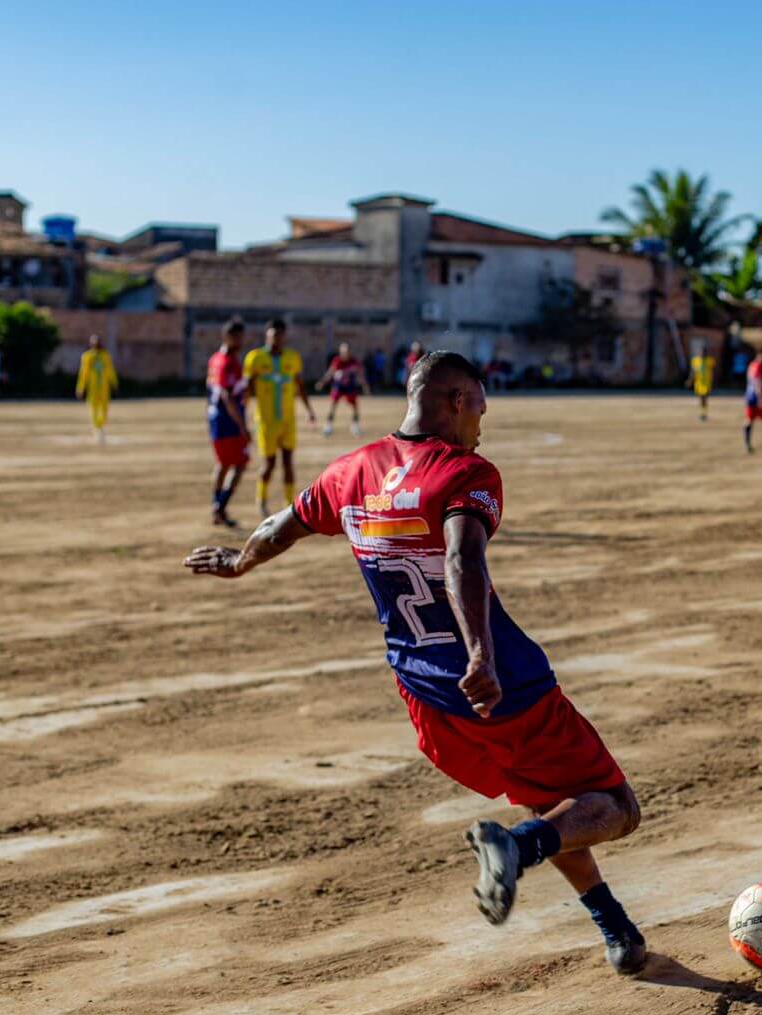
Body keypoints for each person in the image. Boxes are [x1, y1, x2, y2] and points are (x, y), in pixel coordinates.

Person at [183, 350, 646, 974]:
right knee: (614, 807)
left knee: (549, 802)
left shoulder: (351, 472)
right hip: (500, 686)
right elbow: (462, 561)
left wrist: (239, 561)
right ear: (456, 401)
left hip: (424, 694)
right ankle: (516, 849)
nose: (481, 424)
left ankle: (615, 928)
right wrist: (481, 654)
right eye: (479, 408)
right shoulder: (464, 471)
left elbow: (279, 527)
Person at [243, 319, 316, 515]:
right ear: (267, 335)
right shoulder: (255, 358)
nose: (276, 339)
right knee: (269, 463)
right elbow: (247, 389)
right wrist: (244, 413)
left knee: (288, 462)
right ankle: (261, 500)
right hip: (266, 422)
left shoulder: (293, 358)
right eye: (273, 335)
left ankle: (288, 505)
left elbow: (299, 385)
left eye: (280, 335)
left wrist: (309, 410)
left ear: (284, 336)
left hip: (287, 421)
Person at [206, 319, 250, 527]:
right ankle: (219, 506)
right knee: (240, 464)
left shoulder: (215, 359)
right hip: (228, 422)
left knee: (223, 464)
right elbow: (226, 396)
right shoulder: (227, 363)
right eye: (237, 337)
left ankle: (218, 508)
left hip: (216, 420)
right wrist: (242, 425)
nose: (241, 341)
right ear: (227, 337)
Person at [319, 341, 370, 438]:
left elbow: (360, 375)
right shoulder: (337, 360)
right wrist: (322, 382)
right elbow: (330, 372)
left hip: (350, 386)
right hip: (338, 386)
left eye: (346, 351)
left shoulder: (354, 361)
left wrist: (365, 386)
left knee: (355, 407)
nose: (345, 353)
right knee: (333, 405)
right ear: (340, 351)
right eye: (343, 351)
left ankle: (355, 426)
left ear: (349, 352)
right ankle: (328, 426)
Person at [76, 334, 119, 443]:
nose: (96, 344)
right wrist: (81, 388)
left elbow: (110, 371)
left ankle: (100, 426)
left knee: (104, 409)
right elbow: (83, 373)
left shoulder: (106, 356)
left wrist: (114, 383)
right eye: (94, 342)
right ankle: (97, 428)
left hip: (104, 388)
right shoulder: (87, 357)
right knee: (93, 408)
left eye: (98, 342)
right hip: (93, 388)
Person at [686, 344, 715, 422]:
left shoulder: (709, 361)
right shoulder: (695, 361)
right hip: (698, 383)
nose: (702, 353)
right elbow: (693, 372)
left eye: (704, 352)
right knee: (701, 399)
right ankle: (702, 413)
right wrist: (690, 381)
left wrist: (713, 381)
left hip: (707, 383)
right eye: (701, 352)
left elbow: (713, 372)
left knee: (704, 398)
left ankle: (703, 414)